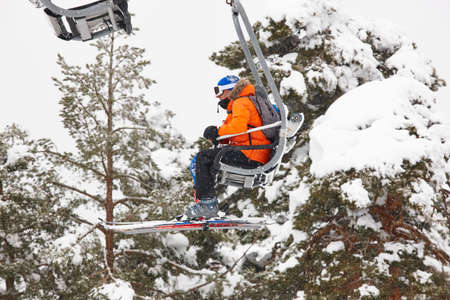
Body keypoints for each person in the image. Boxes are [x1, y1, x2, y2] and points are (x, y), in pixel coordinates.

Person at [184, 75, 272, 219]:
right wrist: (217, 135)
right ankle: (206, 203)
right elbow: (241, 132)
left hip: (250, 153)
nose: (218, 97)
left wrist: (218, 132)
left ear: (230, 90)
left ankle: (207, 205)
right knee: (204, 160)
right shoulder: (244, 103)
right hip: (254, 151)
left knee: (203, 158)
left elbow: (238, 128)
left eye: (219, 92)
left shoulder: (241, 103)